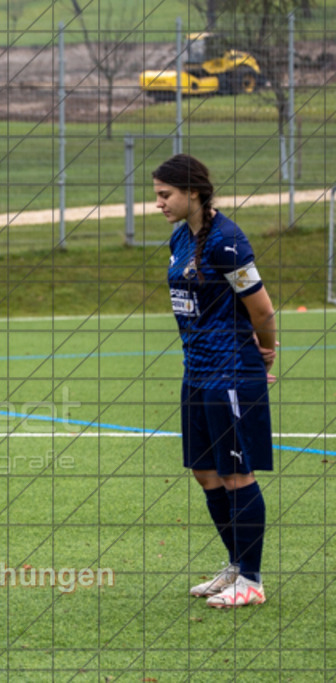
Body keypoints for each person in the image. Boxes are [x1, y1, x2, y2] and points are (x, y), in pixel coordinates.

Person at [155, 154, 276, 608]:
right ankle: (235, 565)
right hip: (198, 372)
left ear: (193, 192)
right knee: (205, 473)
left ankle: (252, 579)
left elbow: (261, 309)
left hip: (230, 372)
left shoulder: (227, 241)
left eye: (165, 195)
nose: (159, 203)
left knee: (236, 474)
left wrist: (266, 352)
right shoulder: (180, 238)